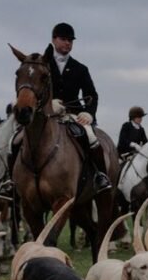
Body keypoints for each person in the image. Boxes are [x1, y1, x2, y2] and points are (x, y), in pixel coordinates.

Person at [45, 22, 110, 192]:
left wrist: (88, 113)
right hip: (46, 115)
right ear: (54, 40)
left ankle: (100, 175)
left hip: (72, 114)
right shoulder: (43, 64)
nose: (67, 43)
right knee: (16, 138)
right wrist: (48, 104)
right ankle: (12, 181)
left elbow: (92, 94)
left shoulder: (80, 68)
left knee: (91, 137)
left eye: (70, 40)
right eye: (63, 39)